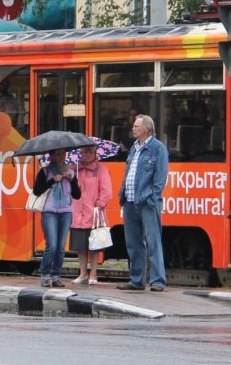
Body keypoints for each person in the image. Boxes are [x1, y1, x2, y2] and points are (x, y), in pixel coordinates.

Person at [117, 113, 169, 292]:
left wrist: (153, 198)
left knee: (153, 241)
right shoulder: (134, 148)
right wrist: (122, 195)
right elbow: (128, 173)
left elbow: (160, 177)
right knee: (133, 243)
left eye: (136, 126)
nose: (133, 128)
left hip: (147, 202)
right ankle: (137, 280)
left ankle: (158, 281)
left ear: (146, 129)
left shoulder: (157, 148)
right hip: (130, 201)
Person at [33, 148, 80, 288]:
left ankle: (56, 276)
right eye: (58, 154)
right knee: (52, 245)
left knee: (60, 247)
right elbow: (36, 191)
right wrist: (52, 180)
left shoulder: (70, 172)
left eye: (63, 154)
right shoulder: (45, 172)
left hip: (66, 212)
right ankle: (45, 275)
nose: (61, 157)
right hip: (50, 212)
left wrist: (71, 180)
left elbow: (77, 195)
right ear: (51, 156)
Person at [71, 142, 113, 285]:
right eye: (84, 152)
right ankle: (83, 273)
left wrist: (99, 205)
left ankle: (93, 273)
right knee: (80, 246)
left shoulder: (101, 170)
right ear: (80, 153)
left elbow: (107, 192)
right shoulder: (75, 169)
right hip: (77, 213)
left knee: (94, 245)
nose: (87, 155)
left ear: (95, 154)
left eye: (90, 152)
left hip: (93, 213)